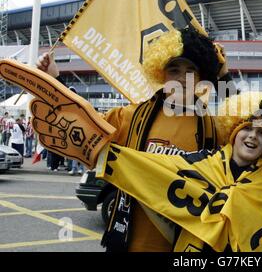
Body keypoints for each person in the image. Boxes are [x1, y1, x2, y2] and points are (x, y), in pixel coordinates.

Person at [35, 27, 232, 252]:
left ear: (201, 77)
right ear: (161, 73)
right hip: (131, 242)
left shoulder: (212, 127)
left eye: (191, 70)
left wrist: (224, 76)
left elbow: (248, 125)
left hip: (185, 245)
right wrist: (54, 80)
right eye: (174, 69)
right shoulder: (133, 116)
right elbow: (84, 120)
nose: (182, 78)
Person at [92, 91, 262, 251]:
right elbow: (153, 168)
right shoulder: (201, 162)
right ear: (234, 131)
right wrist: (100, 150)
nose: (252, 136)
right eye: (247, 128)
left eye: (261, 133)